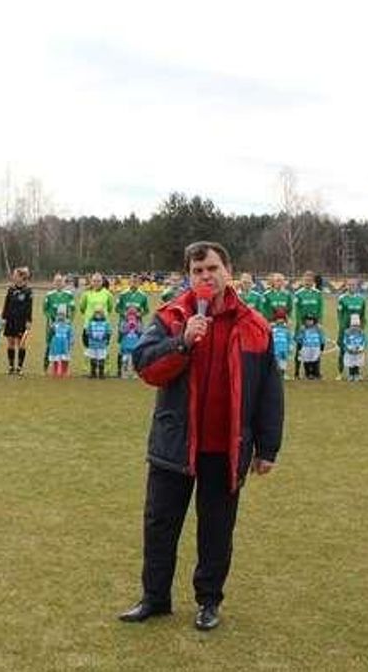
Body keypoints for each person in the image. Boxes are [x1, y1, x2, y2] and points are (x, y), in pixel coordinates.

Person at [121, 240, 283, 632]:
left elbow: (269, 391)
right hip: (175, 444)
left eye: (212, 269)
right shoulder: (172, 315)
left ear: (228, 270)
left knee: (215, 532)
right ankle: (154, 598)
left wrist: (268, 447)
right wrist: (182, 342)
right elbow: (144, 365)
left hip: (225, 450)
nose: (206, 277)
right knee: (160, 525)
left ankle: (208, 602)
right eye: (197, 272)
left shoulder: (254, 325)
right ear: (188, 277)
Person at [2, 267, 33, 375]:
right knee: (10, 343)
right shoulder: (10, 290)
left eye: (15, 275)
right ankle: (11, 366)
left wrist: (29, 321)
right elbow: (6, 305)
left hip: (21, 321)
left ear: (21, 277)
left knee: (21, 344)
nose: (13, 277)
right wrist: (4, 318)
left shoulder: (28, 291)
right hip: (10, 320)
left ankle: (19, 367)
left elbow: (29, 307)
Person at [293, 272, 323, 379]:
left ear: (313, 281)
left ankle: (316, 372)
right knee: (300, 348)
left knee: (316, 347)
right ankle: (297, 372)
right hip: (302, 326)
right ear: (302, 281)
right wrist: (300, 324)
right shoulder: (298, 294)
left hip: (315, 326)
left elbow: (320, 309)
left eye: (310, 280)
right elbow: (297, 311)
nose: (308, 282)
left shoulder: (318, 293)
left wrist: (319, 323)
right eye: (306, 280)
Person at [43, 273, 75, 373]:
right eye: (56, 281)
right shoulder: (49, 295)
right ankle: (46, 367)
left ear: (63, 283)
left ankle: (65, 369)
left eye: (60, 281)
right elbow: (45, 309)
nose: (58, 283)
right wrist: (51, 319)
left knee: (65, 344)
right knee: (50, 344)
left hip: (65, 324)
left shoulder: (69, 295)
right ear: (53, 282)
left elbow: (73, 309)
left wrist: (70, 320)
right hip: (52, 324)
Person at [335, 278, 366, 380]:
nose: (352, 287)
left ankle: (356, 373)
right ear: (346, 286)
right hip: (345, 330)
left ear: (357, 286)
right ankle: (340, 372)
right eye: (349, 285)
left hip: (357, 330)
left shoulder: (361, 299)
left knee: (357, 350)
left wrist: (362, 327)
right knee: (343, 350)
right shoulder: (342, 298)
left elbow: (362, 315)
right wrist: (343, 327)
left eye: (354, 285)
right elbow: (339, 315)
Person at [84, 307, 112, 378]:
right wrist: (91, 337)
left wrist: (106, 338)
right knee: (93, 358)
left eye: (99, 313)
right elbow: (87, 332)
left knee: (101, 358)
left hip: (102, 344)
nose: (98, 315)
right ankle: (93, 372)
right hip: (92, 344)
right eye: (96, 313)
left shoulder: (106, 323)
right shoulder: (91, 323)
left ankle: (101, 373)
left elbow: (109, 332)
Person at [296, 314, 325, 380]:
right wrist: (299, 349)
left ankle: (316, 373)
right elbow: (300, 339)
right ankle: (308, 373)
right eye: (307, 320)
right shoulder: (303, 329)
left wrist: (322, 349)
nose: (309, 322)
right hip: (306, 347)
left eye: (311, 320)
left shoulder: (318, 329)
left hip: (315, 347)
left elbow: (322, 339)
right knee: (306, 360)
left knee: (315, 360)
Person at [118, 305, 143, 379]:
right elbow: (121, 331)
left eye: (134, 313)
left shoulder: (139, 322)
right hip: (126, 343)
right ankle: (124, 373)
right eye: (129, 313)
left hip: (135, 343)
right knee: (125, 360)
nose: (131, 316)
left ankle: (134, 373)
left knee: (134, 361)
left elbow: (141, 331)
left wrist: (136, 327)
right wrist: (127, 327)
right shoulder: (123, 322)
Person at [342, 313, 367, 381]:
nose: (355, 327)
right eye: (353, 325)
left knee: (357, 363)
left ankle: (357, 374)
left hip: (358, 351)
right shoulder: (347, 332)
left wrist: (360, 348)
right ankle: (351, 374)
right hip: (350, 351)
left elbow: (364, 341)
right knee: (351, 363)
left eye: (356, 326)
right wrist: (349, 348)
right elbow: (345, 341)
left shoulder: (361, 333)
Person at [48, 311, 74, 378]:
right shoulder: (54, 325)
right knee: (56, 358)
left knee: (65, 358)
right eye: (59, 315)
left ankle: (64, 371)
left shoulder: (68, 326)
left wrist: (71, 341)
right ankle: (55, 371)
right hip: (56, 344)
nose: (61, 317)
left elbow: (70, 334)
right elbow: (50, 334)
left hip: (65, 344)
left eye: (62, 315)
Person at [270, 308, 292, 380]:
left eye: (282, 318)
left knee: (283, 361)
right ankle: (274, 374)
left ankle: (283, 373)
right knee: (275, 361)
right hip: (275, 348)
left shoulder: (286, 329)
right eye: (278, 318)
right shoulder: (272, 328)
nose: (280, 320)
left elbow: (289, 337)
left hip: (284, 348)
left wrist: (290, 346)